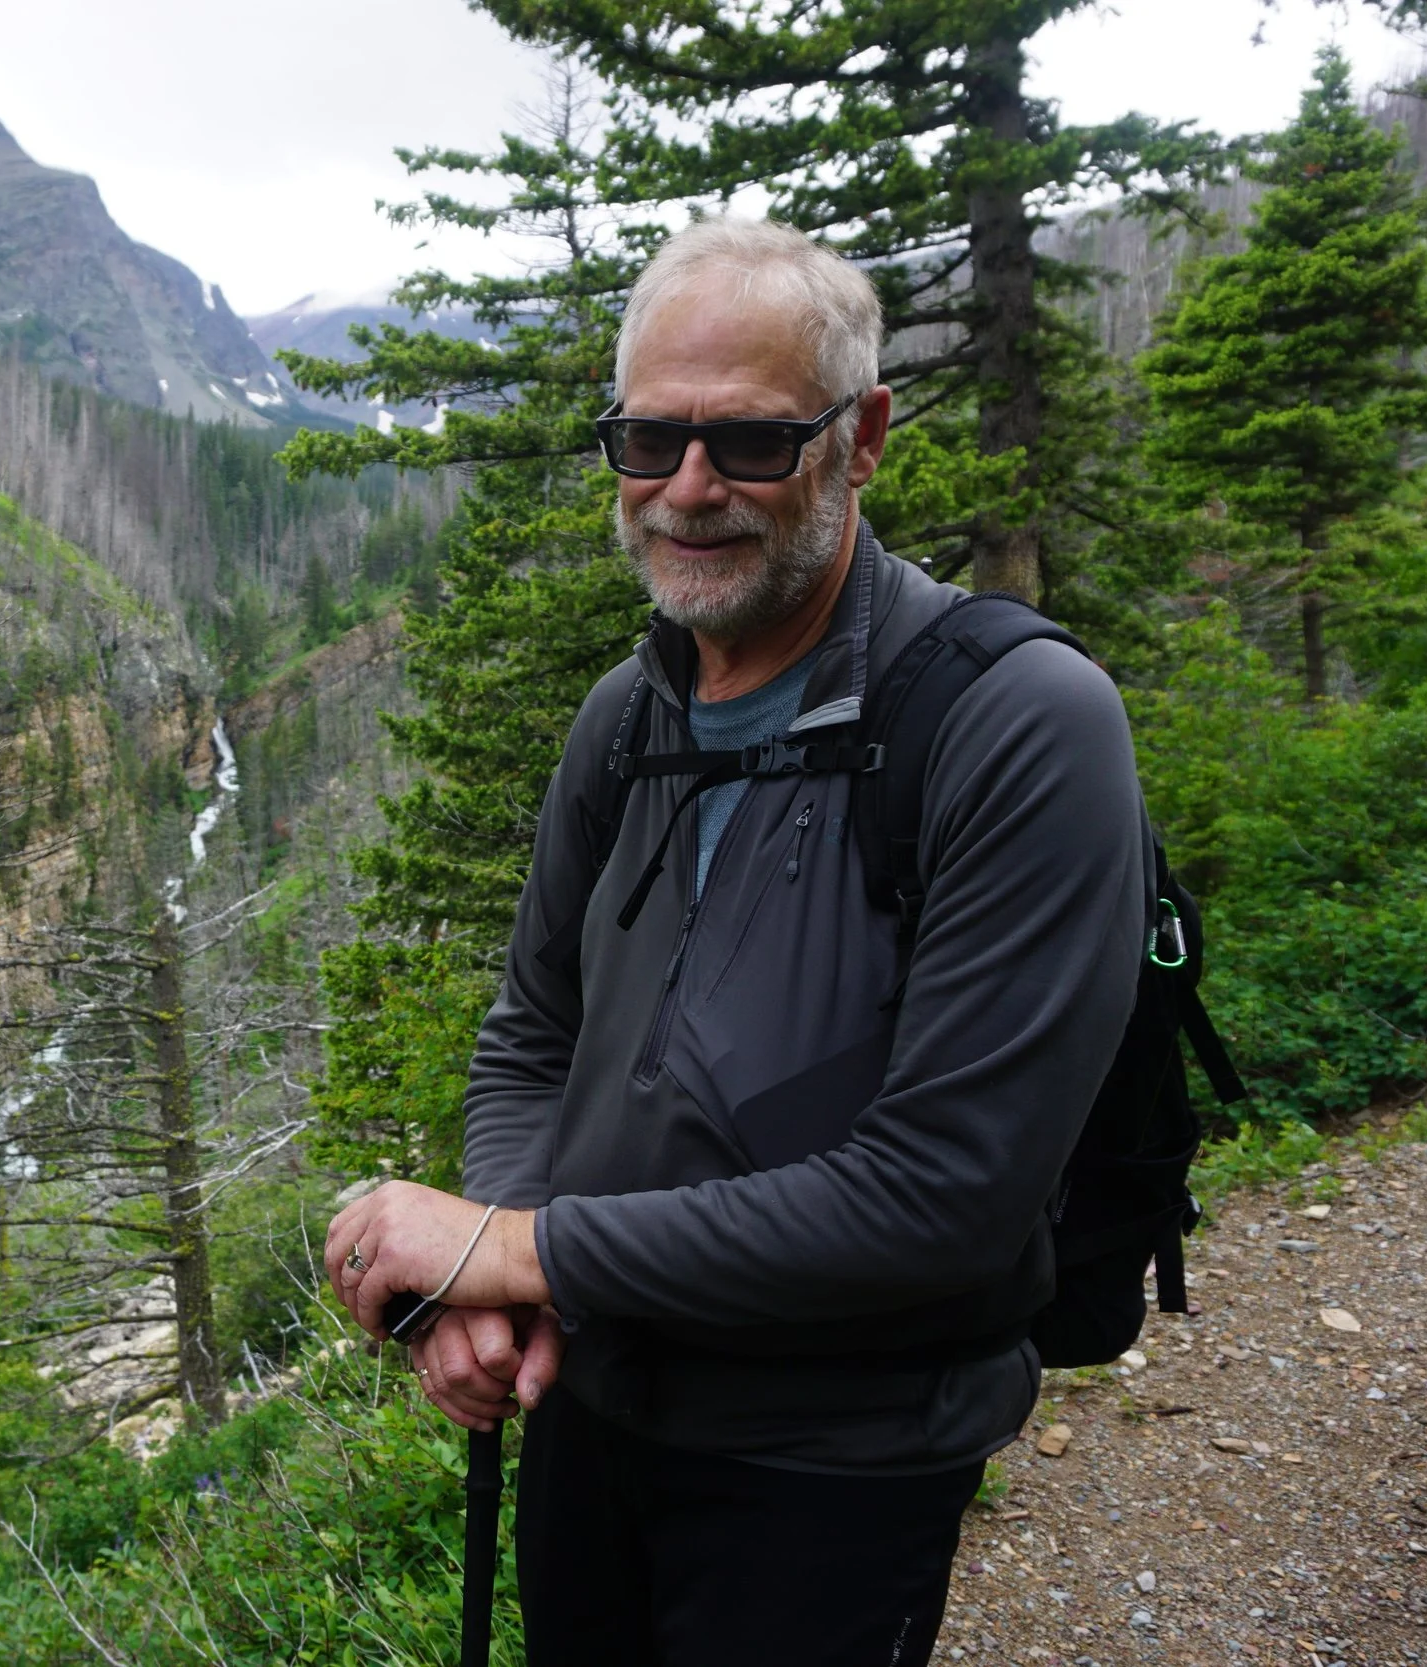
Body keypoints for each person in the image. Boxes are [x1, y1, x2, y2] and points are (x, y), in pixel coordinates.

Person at [323, 217, 1150, 1665]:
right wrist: (497, 1293)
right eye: (648, 440)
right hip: (595, 1416)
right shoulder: (625, 720)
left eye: (752, 444)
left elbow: (942, 1193)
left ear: (863, 437)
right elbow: (535, 1032)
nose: (688, 489)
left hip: (836, 1460)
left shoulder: (1016, 722)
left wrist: (514, 1243)